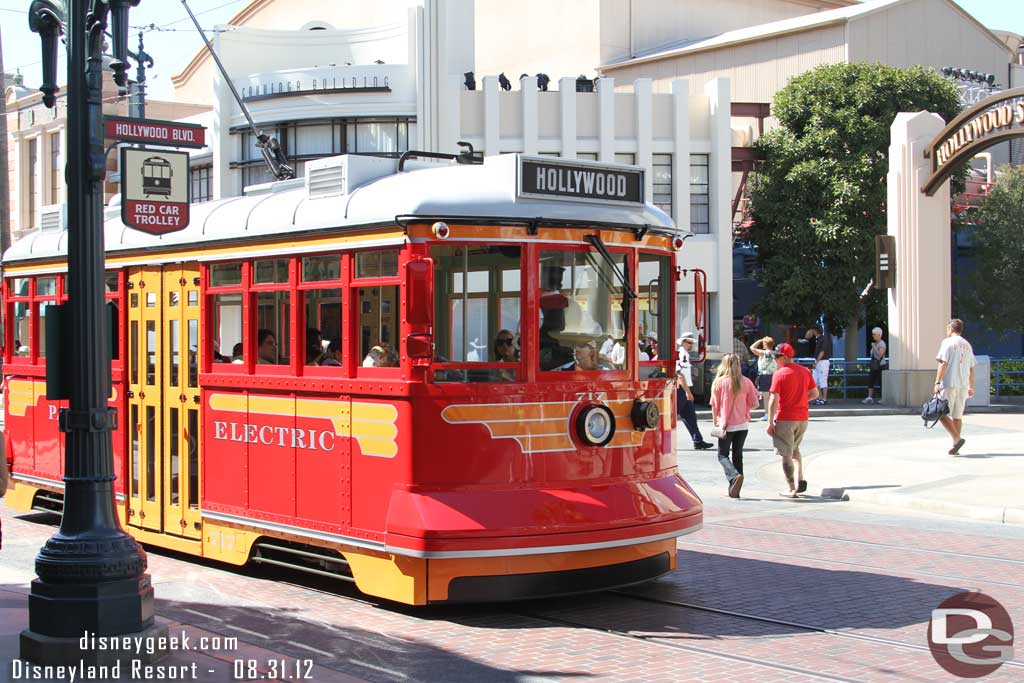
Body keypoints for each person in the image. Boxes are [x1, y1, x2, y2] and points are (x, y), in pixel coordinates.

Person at [767, 342, 819, 497]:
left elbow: (773, 399)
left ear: (784, 357)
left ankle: (791, 488)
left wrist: (770, 422)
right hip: (802, 418)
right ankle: (800, 480)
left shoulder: (780, 374)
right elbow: (815, 393)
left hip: (786, 418)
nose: (775, 360)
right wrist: (801, 401)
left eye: (777, 356)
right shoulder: (805, 371)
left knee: (786, 454)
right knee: (795, 449)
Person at [710, 353, 759, 498]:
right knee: (738, 455)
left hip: (726, 424)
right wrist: (744, 408)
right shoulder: (746, 381)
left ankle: (734, 477)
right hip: (743, 424)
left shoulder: (719, 382)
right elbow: (755, 404)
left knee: (722, 454)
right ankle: (735, 488)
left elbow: (714, 406)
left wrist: (716, 422)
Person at [935, 318, 976, 455]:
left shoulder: (948, 342)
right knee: (957, 416)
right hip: (963, 385)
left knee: (940, 413)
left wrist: (937, 382)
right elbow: (971, 368)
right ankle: (956, 444)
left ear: (951, 329)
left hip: (949, 383)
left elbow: (943, 363)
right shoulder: (967, 344)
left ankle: (956, 439)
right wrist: (971, 386)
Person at [676, 333, 714, 450]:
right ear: (683, 342)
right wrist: (688, 391)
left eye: (692, 342)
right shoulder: (682, 354)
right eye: (689, 342)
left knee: (690, 416)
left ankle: (698, 440)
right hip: (682, 389)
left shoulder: (684, 354)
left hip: (684, 388)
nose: (691, 345)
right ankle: (697, 440)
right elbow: (680, 374)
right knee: (676, 416)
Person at [750, 336, 778, 419]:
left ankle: (767, 413)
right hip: (774, 375)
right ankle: (775, 413)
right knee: (775, 395)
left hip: (764, 375)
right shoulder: (776, 354)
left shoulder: (763, 353)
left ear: (765, 344)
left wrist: (759, 340)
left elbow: (752, 347)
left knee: (766, 396)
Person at [807, 325, 833, 405]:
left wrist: (816, 362)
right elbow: (807, 337)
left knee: (823, 380)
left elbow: (822, 352)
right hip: (818, 361)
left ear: (816, 330)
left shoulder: (823, 339)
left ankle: (824, 399)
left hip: (823, 361)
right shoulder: (817, 339)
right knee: (816, 381)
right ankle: (820, 398)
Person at [864, 327, 887, 404]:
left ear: (879, 335)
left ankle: (883, 398)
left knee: (881, 382)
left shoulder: (882, 344)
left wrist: (874, 347)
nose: (873, 336)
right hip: (874, 365)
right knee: (871, 380)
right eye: (872, 334)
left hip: (880, 365)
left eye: (874, 334)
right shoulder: (876, 343)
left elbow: (880, 354)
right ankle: (869, 397)